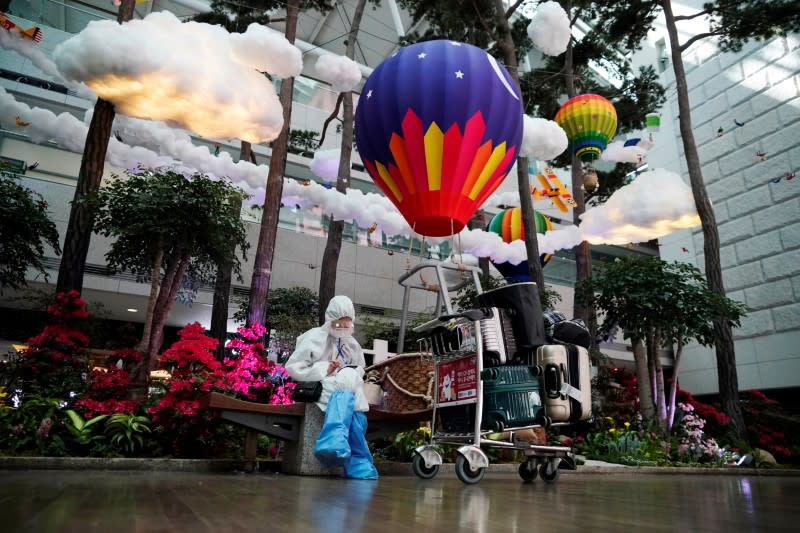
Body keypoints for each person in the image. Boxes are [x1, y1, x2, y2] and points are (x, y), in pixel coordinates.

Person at [285, 295, 378, 480]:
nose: (344, 327)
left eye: (348, 323)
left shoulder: (351, 343)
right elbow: (294, 368)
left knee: (351, 384)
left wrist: (347, 372)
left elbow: (359, 368)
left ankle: (334, 440)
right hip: (320, 384)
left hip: (343, 388)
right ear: (331, 320)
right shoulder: (314, 337)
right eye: (340, 323)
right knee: (354, 397)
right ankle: (359, 462)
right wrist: (325, 368)